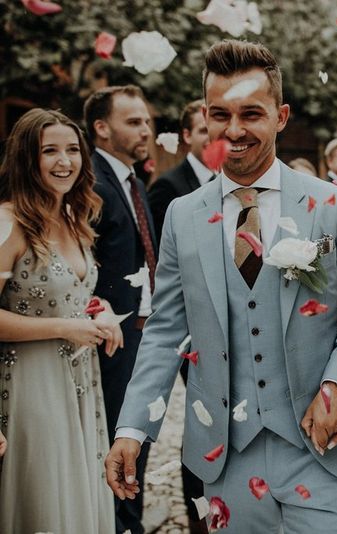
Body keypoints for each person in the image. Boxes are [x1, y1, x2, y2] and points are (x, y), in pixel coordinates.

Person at [104, 40, 337, 532]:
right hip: (226, 461)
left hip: (323, 450)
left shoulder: (331, 205)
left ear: (281, 116)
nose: (234, 130)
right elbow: (165, 331)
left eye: (251, 113)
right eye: (220, 115)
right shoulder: (182, 215)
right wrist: (132, 427)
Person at [0, 108, 121, 533]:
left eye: (72, 150)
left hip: (81, 381)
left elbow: (71, 294)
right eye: (49, 150)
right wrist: (65, 328)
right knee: (46, 498)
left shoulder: (73, 218)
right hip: (31, 385)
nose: (64, 161)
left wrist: (101, 311)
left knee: (78, 494)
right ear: (26, 158)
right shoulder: (8, 222)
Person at [84, 84, 157, 534]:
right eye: (133, 122)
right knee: (116, 437)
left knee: (136, 435)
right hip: (107, 340)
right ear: (102, 127)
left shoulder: (133, 182)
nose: (145, 129)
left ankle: (129, 522)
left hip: (140, 331)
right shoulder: (90, 182)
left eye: (146, 121)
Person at [147, 98, 212, 534]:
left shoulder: (232, 182)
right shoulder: (169, 188)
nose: (215, 137)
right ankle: (198, 515)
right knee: (202, 417)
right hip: (192, 327)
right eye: (204, 129)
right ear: (187, 136)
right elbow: (162, 267)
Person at [148, 99, 214, 244]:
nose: (212, 137)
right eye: (204, 131)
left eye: (215, 130)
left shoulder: (225, 180)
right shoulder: (166, 187)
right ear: (187, 136)